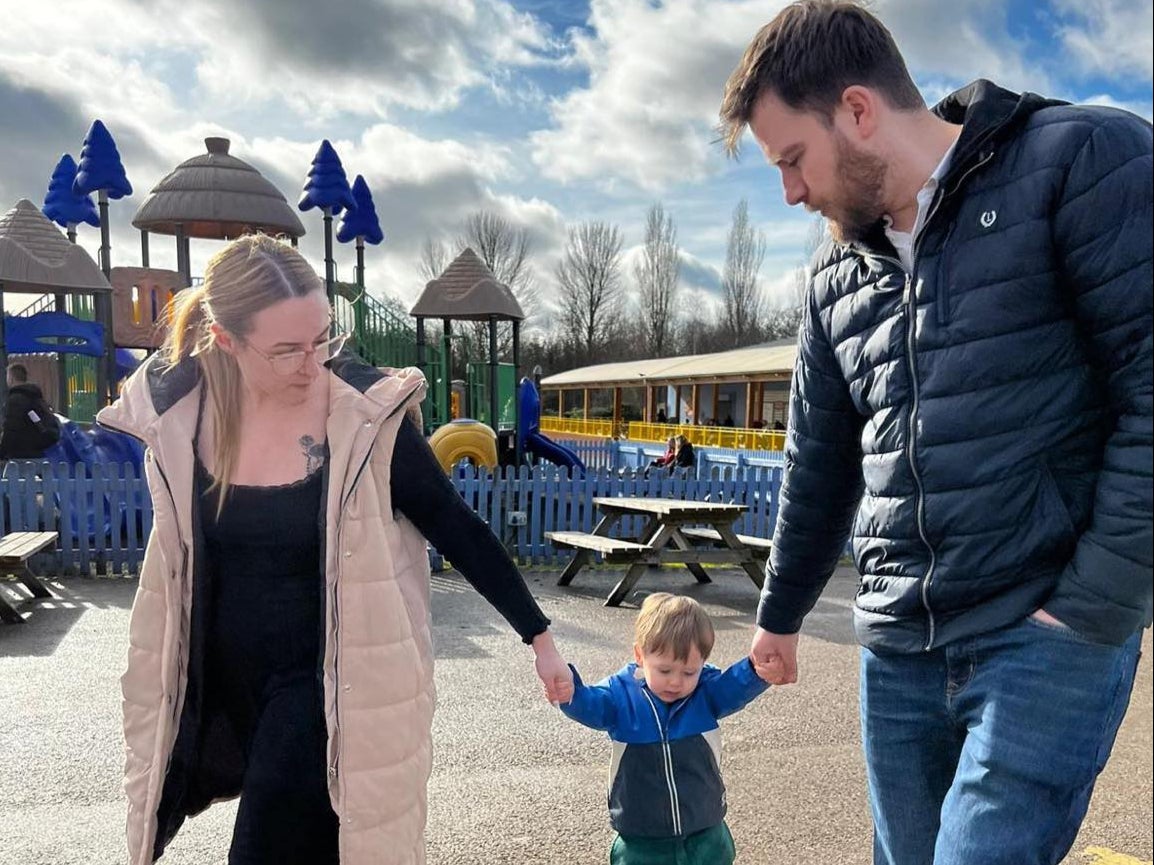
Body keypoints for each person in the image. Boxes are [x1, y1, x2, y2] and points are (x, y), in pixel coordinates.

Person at [719, 3, 1152, 863]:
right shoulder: (833, 277)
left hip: (1043, 634)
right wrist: (780, 611)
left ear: (857, 110)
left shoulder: (1083, 161)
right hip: (898, 645)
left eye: (792, 159)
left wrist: (1089, 608)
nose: (791, 192)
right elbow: (820, 459)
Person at [97, 235, 574, 865]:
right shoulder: (180, 416)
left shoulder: (364, 420)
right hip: (216, 689)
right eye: (287, 349)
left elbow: (453, 522)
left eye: (322, 338)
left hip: (324, 690)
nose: (311, 362)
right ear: (227, 340)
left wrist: (539, 638)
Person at [558, 593, 778, 865]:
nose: (676, 682)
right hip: (641, 834)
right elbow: (590, 706)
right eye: (664, 671)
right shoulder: (619, 696)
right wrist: (570, 694)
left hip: (704, 827)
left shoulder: (705, 691)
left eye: (689, 672)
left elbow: (733, 686)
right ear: (640, 655)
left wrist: (757, 670)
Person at [0, 363, 61, 461]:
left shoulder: (16, 399)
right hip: (40, 452)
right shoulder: (35, 397)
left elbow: (11, 428)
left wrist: (2, 453)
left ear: (11, 378)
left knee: (10, 476)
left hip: (22, 454)